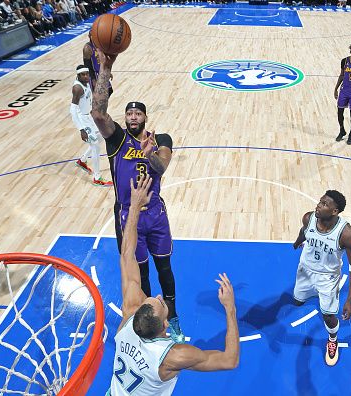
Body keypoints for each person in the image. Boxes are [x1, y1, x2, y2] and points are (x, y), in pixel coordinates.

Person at [108, 174, 239, 395]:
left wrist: (134, 208)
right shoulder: (173, 357)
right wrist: (230, 309)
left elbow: (126, 255)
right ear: (165, 326)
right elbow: (229, 361)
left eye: (154, 300)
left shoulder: (129, 315)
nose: (159, 297)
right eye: (160, 303)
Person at [91, 49, 185, 343]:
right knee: (139, 276)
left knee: (165, 270)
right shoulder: (117, 138)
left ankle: (174, 319)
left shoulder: (161, 140)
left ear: (145, 117)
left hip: (155, 214)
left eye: (138, 113)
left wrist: (151, 154)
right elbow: (97, 112)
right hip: (128, 216)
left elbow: (162, 167)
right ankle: (143, 324)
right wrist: (105, 69)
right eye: (129, 113)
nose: (133, 117)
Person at [292, 190, 351, 366]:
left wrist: (350, 300)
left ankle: (333, 339)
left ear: (334, 211)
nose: (318, 205)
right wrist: (298, 240)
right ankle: (313, 296)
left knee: (328, 315)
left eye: (324, 204)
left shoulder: (346, 234)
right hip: (305, 271)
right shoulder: (309, 218)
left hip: (327, 278)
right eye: (319, 201)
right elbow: (304, 230)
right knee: (298, 301)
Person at [70, 65, 112, 187]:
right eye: (82, 75)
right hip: (83, 120)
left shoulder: (86, 82)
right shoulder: (77, 88)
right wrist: (81, 129)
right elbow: (72, 110)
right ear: (78, 75)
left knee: (100, 138)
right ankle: (97, 177)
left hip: (89, 116)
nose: (86, 76)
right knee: (96, 147)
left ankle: (82, 160)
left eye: (87, 74)